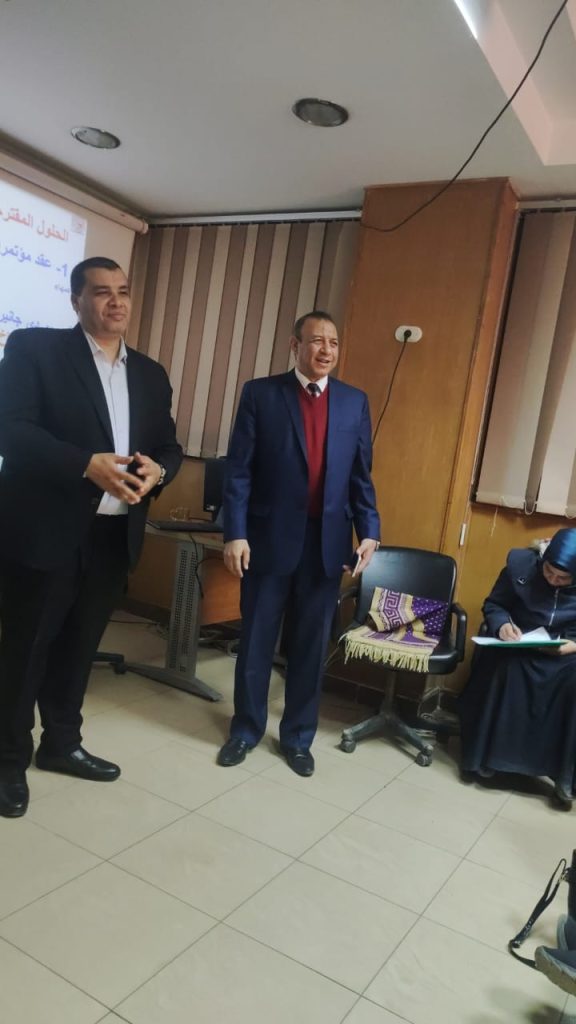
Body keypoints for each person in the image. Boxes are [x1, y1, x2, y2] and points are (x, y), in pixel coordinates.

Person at [0, 257, 183, 817]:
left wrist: (160, 472)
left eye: (123, 291)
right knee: (25, 652)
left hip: (113, 536)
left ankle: (62, 744)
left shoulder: (150, 373)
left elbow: (168, 446)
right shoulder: (35, 349)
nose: (116, 301)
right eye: (101, 292)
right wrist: (85, 464)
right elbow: (11, 429)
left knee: (79, 649)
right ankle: (7, 761)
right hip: (45, 533)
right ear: (76, 300)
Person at [217, 310, 380, 777]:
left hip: (327, 545)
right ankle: (245, 730)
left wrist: (370, 530)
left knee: (310, 646)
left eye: (333, 342)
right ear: (295, 345)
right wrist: (235, 532)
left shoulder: (354, 402)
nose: (326, 349)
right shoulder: (261, 394)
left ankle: (298, 738)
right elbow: (239, 470)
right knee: (256, 640)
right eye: (316, 340)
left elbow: (361, 475)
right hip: (267, 540)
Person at [458, 529, 576, 807]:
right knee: (506, 669)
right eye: (548, 572)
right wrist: (502, 626)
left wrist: (573, 646)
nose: (553, 581)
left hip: (566, 652)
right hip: (520, 643)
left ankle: (565, 775)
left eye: (562, 578)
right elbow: (494, 604)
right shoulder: (521, 566)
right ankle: (488, 759)